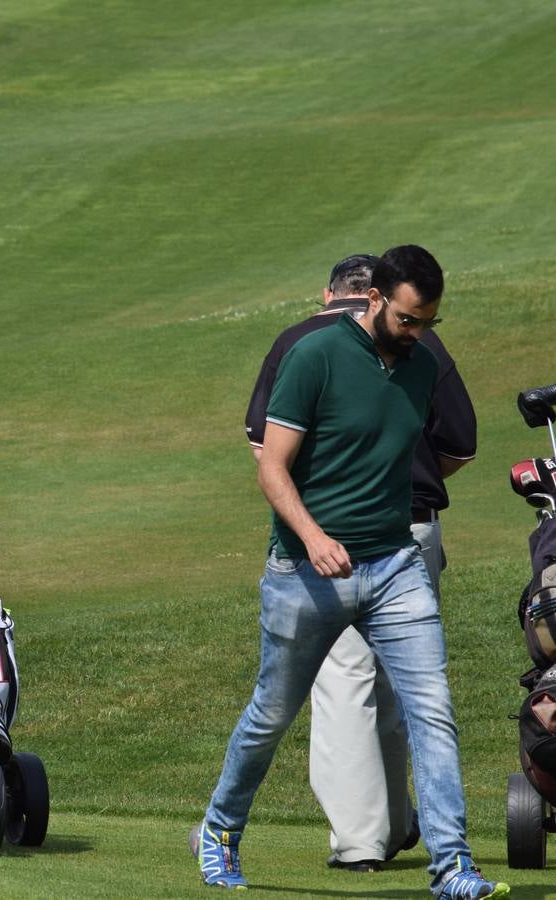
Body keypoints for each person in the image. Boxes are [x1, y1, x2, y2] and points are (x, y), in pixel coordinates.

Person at [192, 245, 508, 899]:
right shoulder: (314, 358)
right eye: (408, 319)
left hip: (395, 564)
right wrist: (313, 536)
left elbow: (448, 451)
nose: (418, 334)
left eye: (429, 322)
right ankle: (220, 832)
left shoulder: (422, 367)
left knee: (432, 712)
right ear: (373, 301)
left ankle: (452, 867)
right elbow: (271, 465)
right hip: (306, 571)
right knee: (271, 713)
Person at [243, 255, 477, 871]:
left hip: (366, 542)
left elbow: (263, 447)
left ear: (329, 294)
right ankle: (399, 825)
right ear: (373, 297)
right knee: (406, 695)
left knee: (350, 686)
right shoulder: (417, 344)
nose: (417, 328)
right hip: (411, 530)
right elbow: (461, 445)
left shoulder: (300, 338)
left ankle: (362, 842)